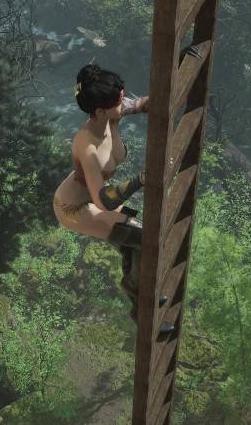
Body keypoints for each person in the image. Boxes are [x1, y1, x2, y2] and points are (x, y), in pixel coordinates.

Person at [52, 63, 174, 334]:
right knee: (143, 238)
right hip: (75, 208)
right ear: (99, 111)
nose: (124, 103)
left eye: (122, 97)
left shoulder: (112, 113)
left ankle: (140, 286)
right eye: (118, 101)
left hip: (94, 198)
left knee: (134, 236)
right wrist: (142, 179)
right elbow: (103, 201)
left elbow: (141, 104)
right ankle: (142, 312)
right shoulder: (88, 146)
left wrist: (176, 69)